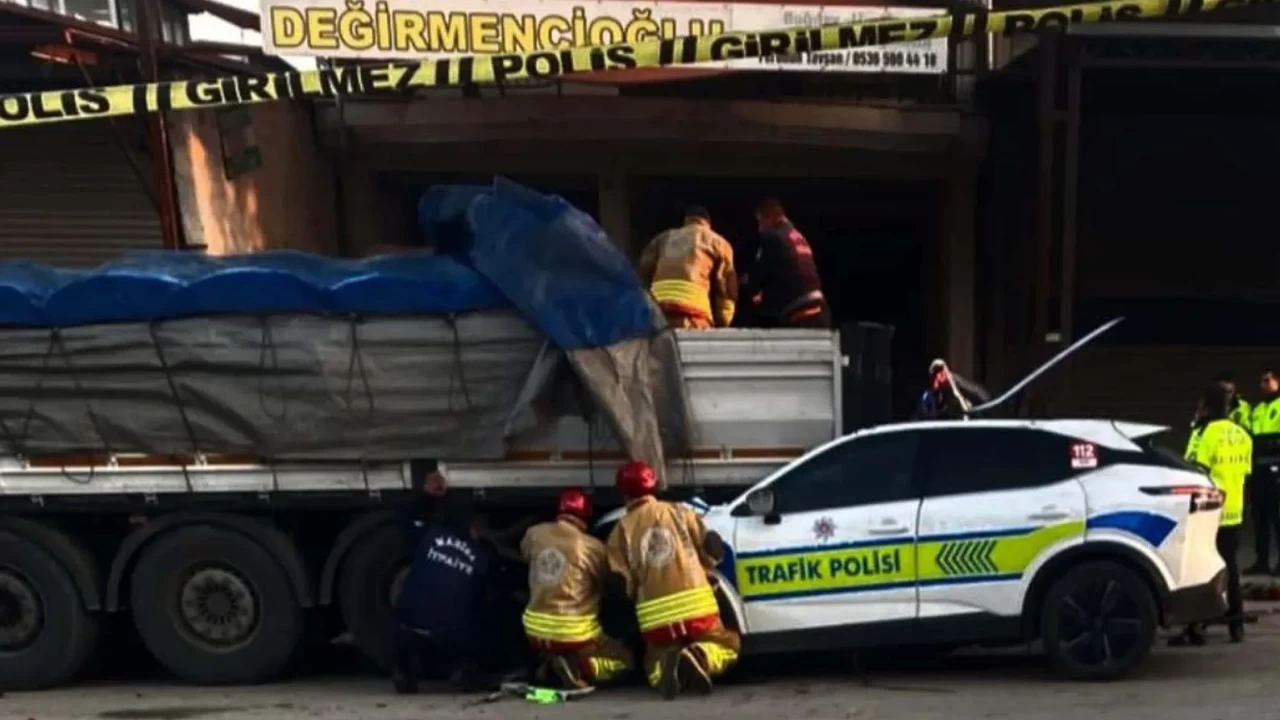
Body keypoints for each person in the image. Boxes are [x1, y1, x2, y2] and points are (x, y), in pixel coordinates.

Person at [605, 461, 739, 699]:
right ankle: (699, 656)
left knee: (653, 665)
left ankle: (666, 666)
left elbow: (620, 583)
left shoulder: (620, 530)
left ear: (623, 493)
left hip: (654, 615)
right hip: (698, 606)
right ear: (654, 485)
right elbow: (712, 551)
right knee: (728, 646)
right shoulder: (680, 511)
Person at [519, 488, 634, 689]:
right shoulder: (593, 548)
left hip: (534, 630)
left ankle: (550, 662)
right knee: (625, 661)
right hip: (574, 634)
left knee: (555, 639)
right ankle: (580, 667)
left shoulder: (534, 534)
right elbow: (606, 584)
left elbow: (526, 555)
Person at [391, 492, 500, 694]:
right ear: (473, 526)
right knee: (487, 609)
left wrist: (425, 495)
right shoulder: (483, 557)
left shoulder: (428, 535)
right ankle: (465, 671)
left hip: (407, 632)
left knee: (406, 603)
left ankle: (403, 671)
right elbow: (486, 598)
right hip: (451, 639)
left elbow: (403, 516)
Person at [1172, 384, 1251, 646]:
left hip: (1211, 512)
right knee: (1232, 567)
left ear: (1206, 406)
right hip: (1235, 511)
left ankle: (1197, 627)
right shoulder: (1242, 435)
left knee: (1202, 569)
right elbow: (1243, 474)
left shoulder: (1207, 434)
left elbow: (1196, 470)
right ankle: (1236, 624)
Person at [637, 205, 738, 330]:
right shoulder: (719, 243)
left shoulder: (662, 239)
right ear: (708, 224)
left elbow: (642, 275)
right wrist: (723, 321)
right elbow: (725, 289)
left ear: (686, 221)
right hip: (693, 312)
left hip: (658, 308)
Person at [741, 197, 828, 329]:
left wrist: (746, 283)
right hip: (819, 306)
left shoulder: (774, 238)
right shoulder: (797, 236)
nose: (760, 229)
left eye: (761, 222)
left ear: (772, 218)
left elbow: (759, 275)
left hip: (797, 308)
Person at [1246, 370, 1280, 575]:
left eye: (1267, 380)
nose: (1263, 384)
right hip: (1258, 470)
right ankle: (1262, 561)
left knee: (1278, 518)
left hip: (1277, 469)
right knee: (1260, 518)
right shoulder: (1257, 409)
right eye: (1261, 381)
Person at [913, 358, 990, 420]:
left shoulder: (954, 380)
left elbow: (977, 392)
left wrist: (957, 394)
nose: (940, 376)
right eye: (936, 373)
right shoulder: (930, 394)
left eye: (942, 372)